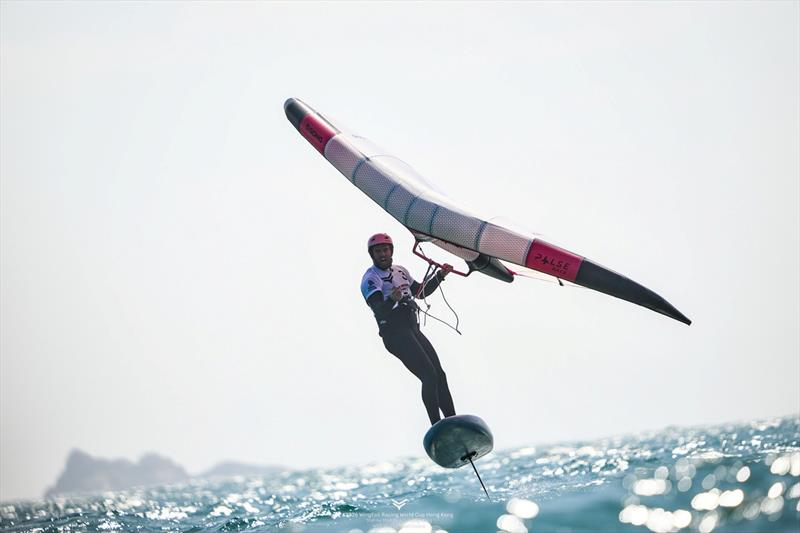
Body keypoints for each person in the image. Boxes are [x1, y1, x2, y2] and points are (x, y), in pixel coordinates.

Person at [360, 233, 457, 425]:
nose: (382, 254)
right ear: (372, 255)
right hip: (394, 333)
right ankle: (437, 426)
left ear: (391, 251)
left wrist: (439, 276)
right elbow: (379, 310)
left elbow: (420, 292)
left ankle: (454, 423)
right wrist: (392, 300)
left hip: (412, 328)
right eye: (378, 251)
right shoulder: (371, 278)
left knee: (439, 374)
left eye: (385, 250)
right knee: (428, 375)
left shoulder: (400, 271)